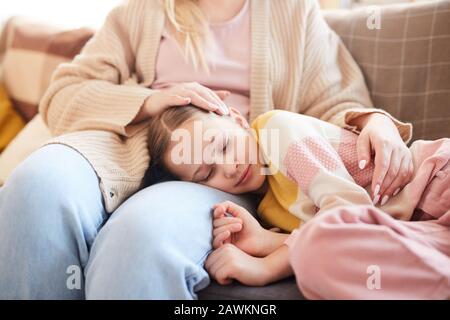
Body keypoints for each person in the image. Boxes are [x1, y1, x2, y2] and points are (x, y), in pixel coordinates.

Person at [0, 0, 415, 299]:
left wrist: (373, 121)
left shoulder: (294, 12)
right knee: (34, 186)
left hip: (210, 177)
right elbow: (62, 95)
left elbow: (333, 106)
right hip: (117, 146)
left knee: (143, 236)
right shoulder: (138, 13)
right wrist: (150, 100)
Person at [145, 104, 450, 299]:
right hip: (420, 226)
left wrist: (266, 266)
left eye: (224, 146)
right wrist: (266, 240)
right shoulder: (267, 205)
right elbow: (333, 238)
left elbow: (348, 211)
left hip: (435, 183)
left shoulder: (275, 131)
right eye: (207, 173)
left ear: (237, 119)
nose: (229, 167)